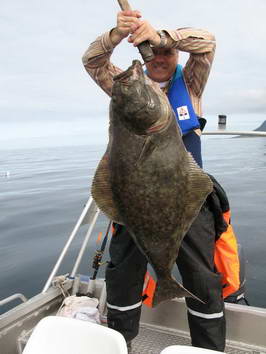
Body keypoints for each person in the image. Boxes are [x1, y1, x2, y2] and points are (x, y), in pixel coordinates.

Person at [82, 10, 230, 352]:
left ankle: (207, 349)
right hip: (134, 199)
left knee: (201, 277)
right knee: (122, 274)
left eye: (167, 52)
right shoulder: (129, 86)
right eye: (153, 52)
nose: (160, 58)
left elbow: (207, 43)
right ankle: (120, 343)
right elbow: (92, 62)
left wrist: (161, 35)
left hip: (185, 201)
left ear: (176, 54)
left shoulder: (190, 82)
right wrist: (116, 34)